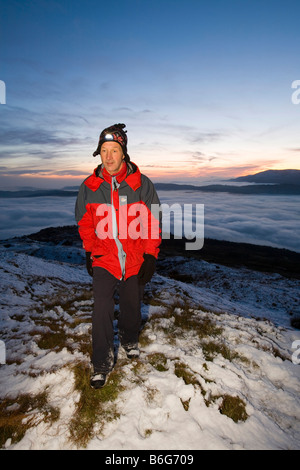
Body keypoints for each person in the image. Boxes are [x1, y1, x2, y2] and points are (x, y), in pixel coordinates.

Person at [75, 123, 161, 389]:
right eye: (104, 150)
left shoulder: (141, 184)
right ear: (98, 154)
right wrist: (90, 251)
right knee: (101, 306)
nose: (109, 156)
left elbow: (152, 221)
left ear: (124, 153)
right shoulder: (89, 186)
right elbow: (85, 222)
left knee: (131, 304)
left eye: (114, 150)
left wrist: (151, 255)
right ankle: (100, 362)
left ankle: (129, 338)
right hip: (104, 257)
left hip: (135, 256)